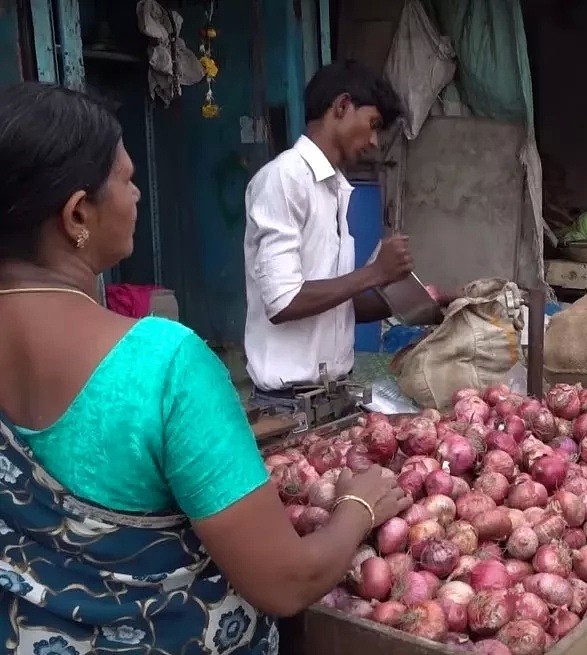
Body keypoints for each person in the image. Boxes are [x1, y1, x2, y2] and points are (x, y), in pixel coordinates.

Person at [0, 81, 411, 652]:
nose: (138, 194)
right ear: (77, 214)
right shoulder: (164, 366)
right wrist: (358, 507)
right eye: (126, 179)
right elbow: (287, 583)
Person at [245, 60, 451, 397]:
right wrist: (375, 273)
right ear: (342, 106)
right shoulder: (284, 180)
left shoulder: (333, 189)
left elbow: (337, 305)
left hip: (331, 393)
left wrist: (416, 302)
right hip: (286, 402)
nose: (373, 141)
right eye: (372, 124)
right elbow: (283, 302)